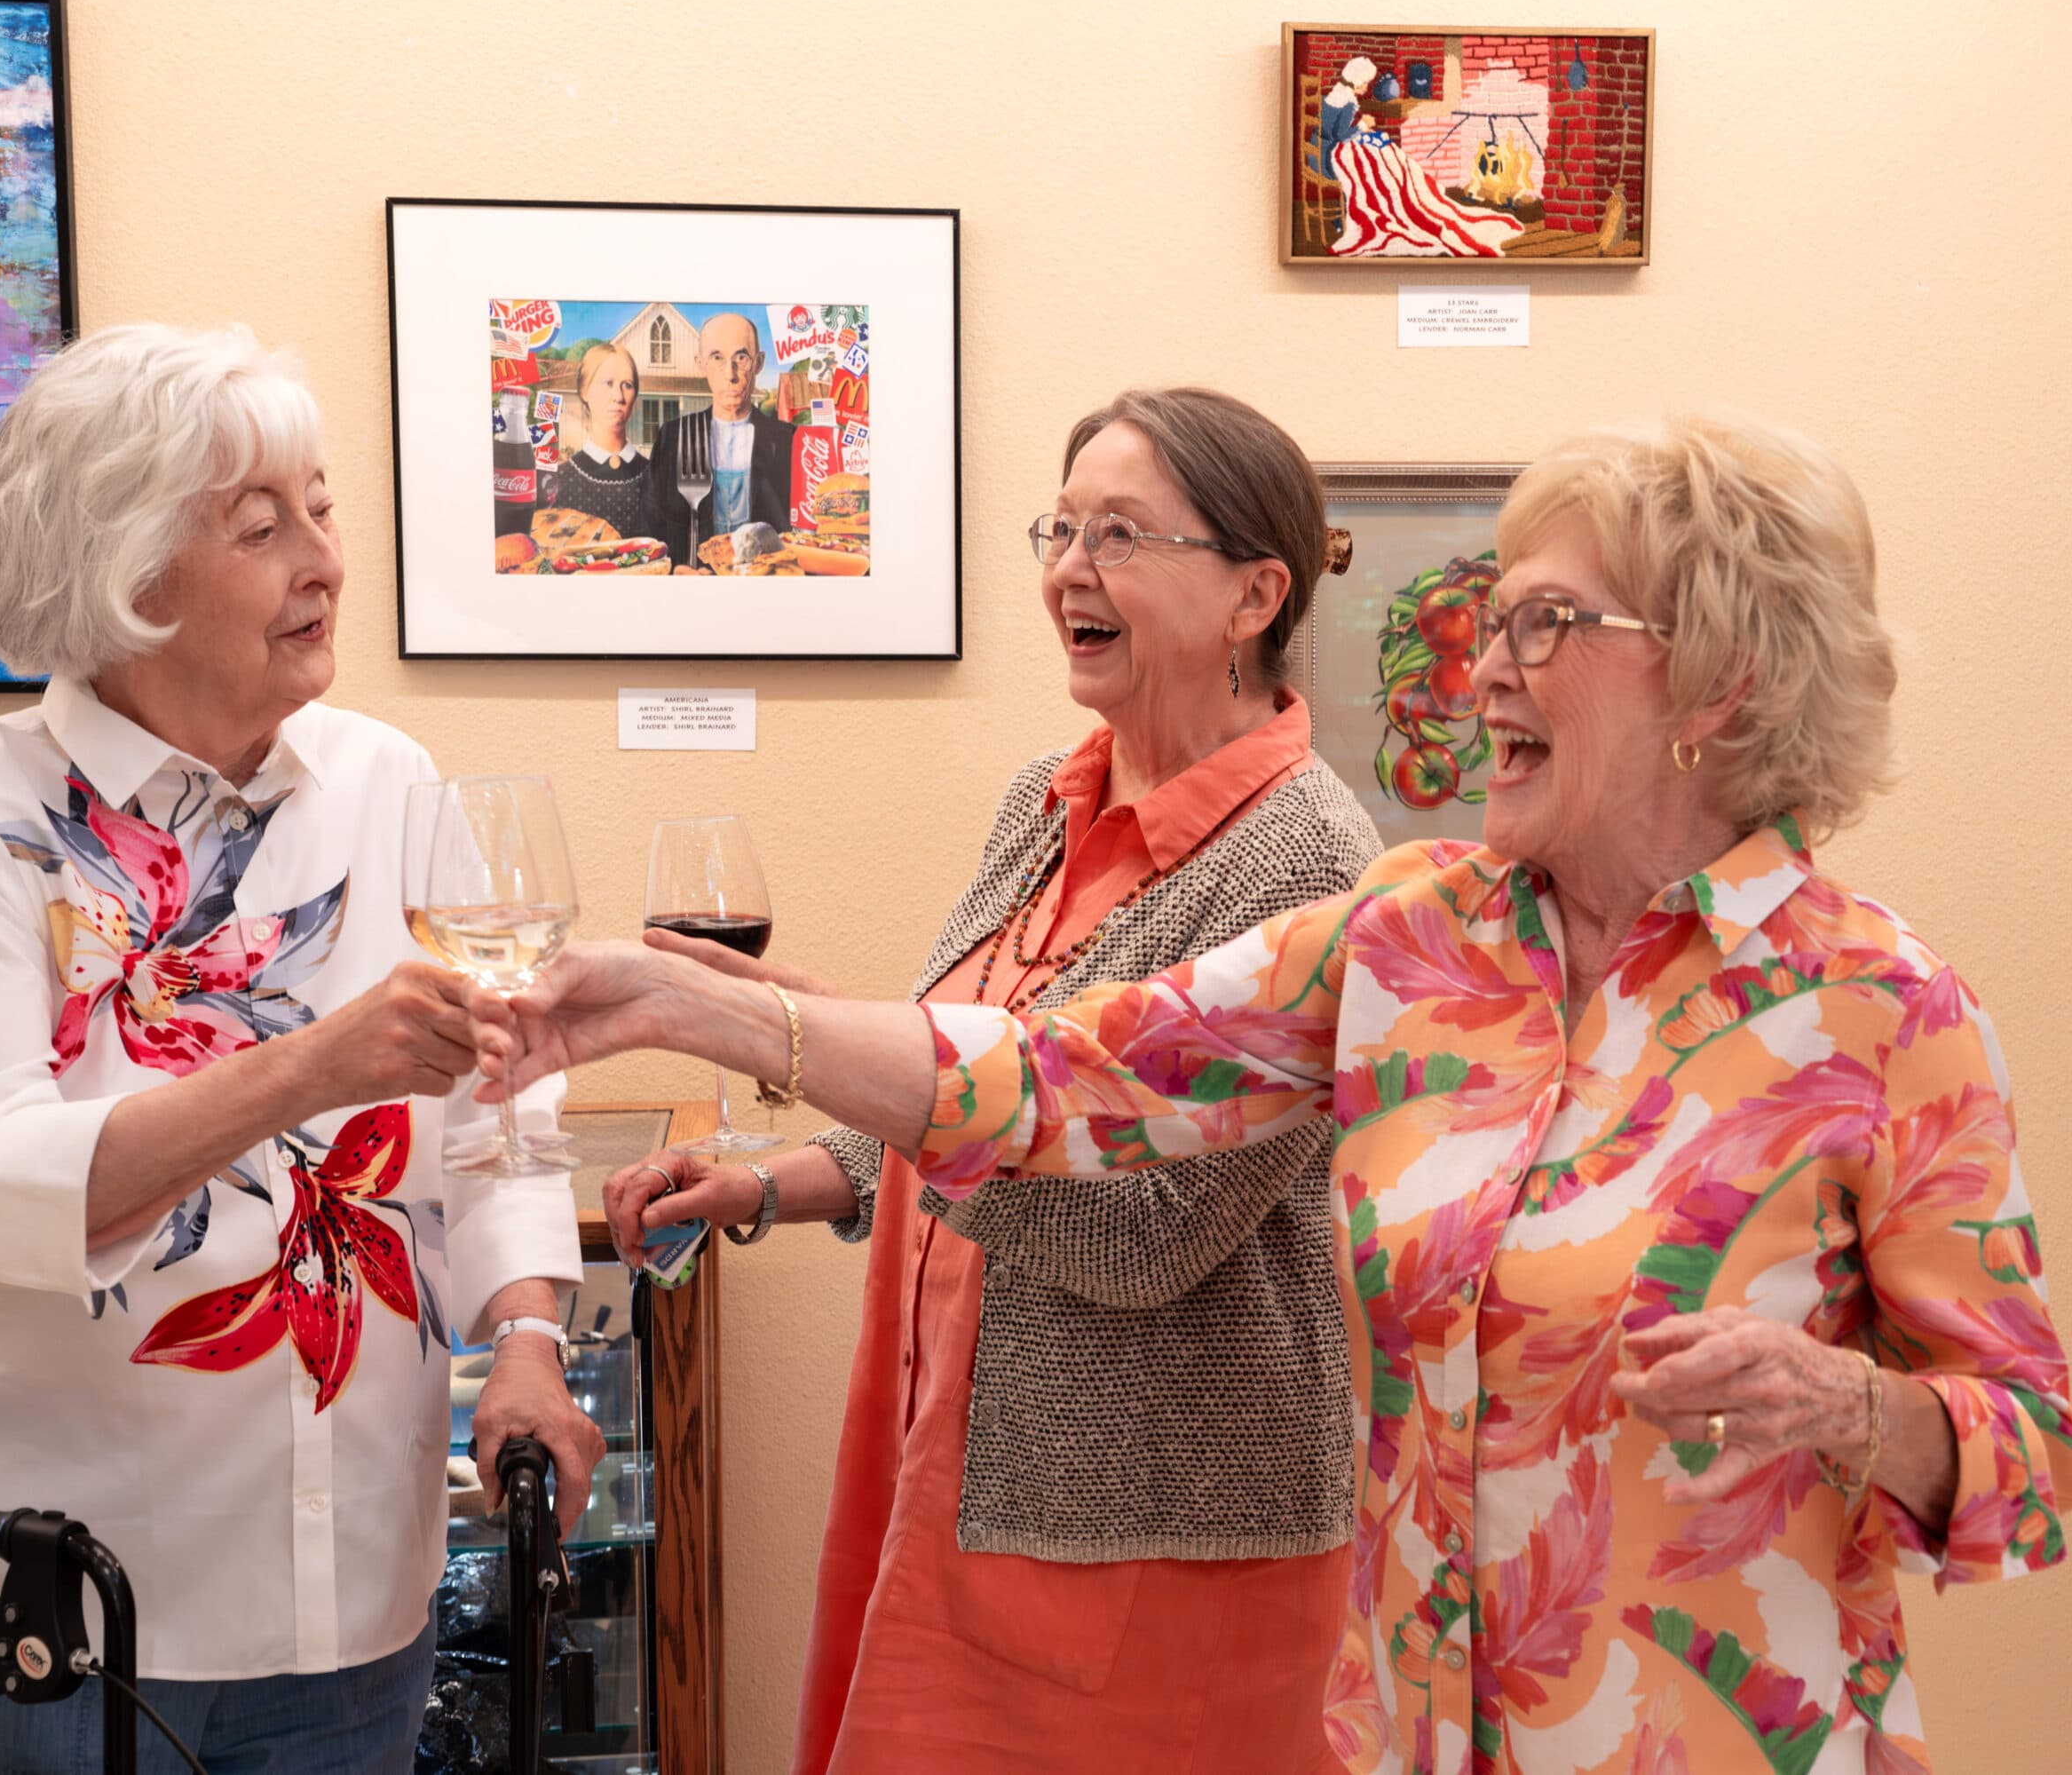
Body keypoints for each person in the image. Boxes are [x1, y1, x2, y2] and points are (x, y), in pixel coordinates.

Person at [475, 410, 2071, 1775]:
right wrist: (707, 1003)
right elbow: (1058, 1075)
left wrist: (1853, 1406)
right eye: (1487, 618)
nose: (1479, 669)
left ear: (1718, 683)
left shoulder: (1878, 1008)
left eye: (1540, 630)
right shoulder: (1412, 932)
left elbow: (2031, 1453)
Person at [0, 322, 603, 1775]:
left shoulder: (392, 782)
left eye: (321, 507)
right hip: (37, 1609)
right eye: (264, 526)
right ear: (124, 576)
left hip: (348, 1606)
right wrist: (307, 1066)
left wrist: (526, 1335)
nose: (324, 557)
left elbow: (505, 1109)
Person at [608, 387, 1378, 1771]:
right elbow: (963, 1071)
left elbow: (1135, 1233)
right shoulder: (1049, 796)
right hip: (948, 1455)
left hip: (1146, 1526)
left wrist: (798, 1040)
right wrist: (771, 1181)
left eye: (1124, 535)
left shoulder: (1306, 861)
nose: (1070, 570)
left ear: (1256, 593)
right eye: (1063, 526)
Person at [645, 310, 794, 566]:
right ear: (700, 363)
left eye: (741, 357)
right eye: (717, 357)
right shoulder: (672, 438)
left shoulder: (789, 441)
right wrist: (675, 572)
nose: (730, 374)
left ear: (758, 363)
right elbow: (648, 530)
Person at [541, 340, 652, 538]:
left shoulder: (656, 477)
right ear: (585, 391)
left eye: (627, 385)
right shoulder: (558, 480)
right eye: (608, 383)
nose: (618, 396)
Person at [1313, 55, 1376, 178]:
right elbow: (1341, 136)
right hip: (1326, 159)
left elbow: (1332, 129)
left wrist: (1360, 131)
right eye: (1365, 83)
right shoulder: (1349, 103)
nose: (1367, 87)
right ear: (1357, 83)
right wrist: (1362, 125)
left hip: (1315, 148)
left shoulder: (1330, 97)